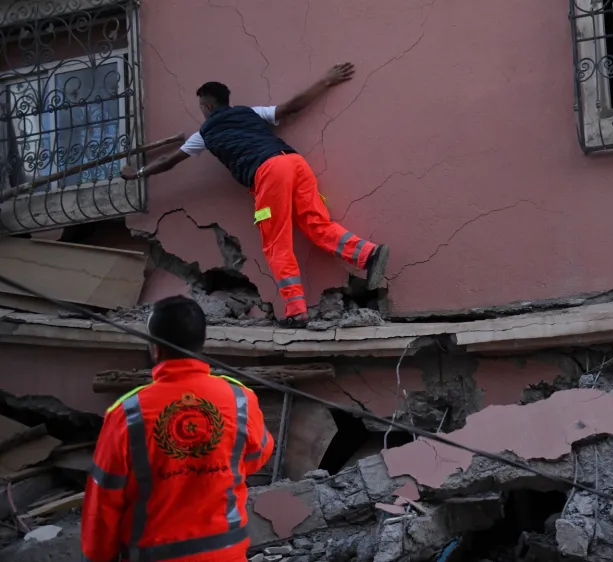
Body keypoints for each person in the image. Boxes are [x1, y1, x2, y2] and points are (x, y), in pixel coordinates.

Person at [122, 63, 389, 328]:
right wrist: (326, 80)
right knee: (316, 224)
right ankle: (367, 254)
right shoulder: (251, 113)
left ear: (207, 107)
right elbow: (292, 106)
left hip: (269, 173)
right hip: (295, 162)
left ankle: (297, 311)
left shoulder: (204, 133)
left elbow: (171, 160)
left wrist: (138, 173)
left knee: (276, 243)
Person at [82, 296, 274, 562]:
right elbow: (256, 457)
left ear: (155, 349)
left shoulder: (127, 413)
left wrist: (96, 556)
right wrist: (208, 467)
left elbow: (104, 501)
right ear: (201, 342)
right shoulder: (240, 398)